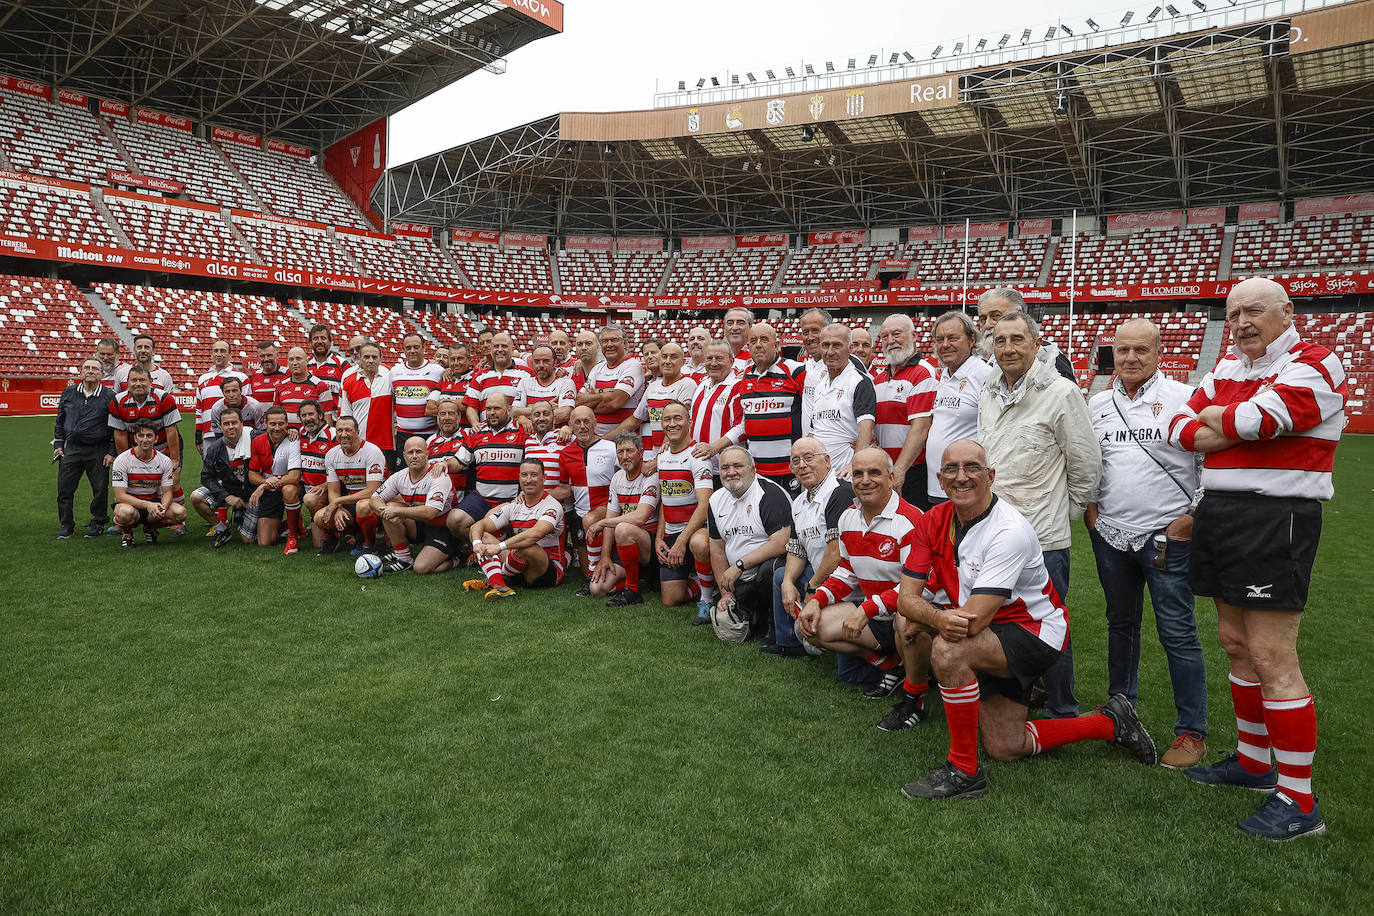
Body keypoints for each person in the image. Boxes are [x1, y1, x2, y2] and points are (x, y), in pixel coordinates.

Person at [1168, 277, 1346, 840]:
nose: (1243, 321)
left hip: (1278, 517)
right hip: (1220, 513)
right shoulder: (1225, 367)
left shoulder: (1317, 363)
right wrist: (1233, 421)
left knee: (1272, 657)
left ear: (1287, 311)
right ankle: (1252, 762)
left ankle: (1298, 799)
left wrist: (1225, 420)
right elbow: (1180, 429)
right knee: (1236, 644)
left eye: (1255, 310)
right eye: (1234, 312)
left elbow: (1254, 423)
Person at [896, 440, 1156, 801]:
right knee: (1007, 746)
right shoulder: (933, 520)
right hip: (991, 630)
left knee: (948, 650)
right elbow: (904, 599)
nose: (961, 476)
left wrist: (932, 620)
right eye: (951, 469)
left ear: (991, 476)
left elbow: (969, 624)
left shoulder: (1008, 530)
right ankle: (1110, 722)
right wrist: (931, 617)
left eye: (972, 467)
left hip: (1034, 631)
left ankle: (964, 772)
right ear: (940, 479)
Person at [1087, 318, 1209, 769]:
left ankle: (1191, 732)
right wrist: (1091, 509)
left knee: (1177, 631)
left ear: (1160, 353)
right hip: (1111, 534)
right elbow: (1089, 462)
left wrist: (1193, 517)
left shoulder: (1184, 398)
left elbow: (1208, 461)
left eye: (1141, 350)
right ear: (1112, 355)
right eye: (1123, 351)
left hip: (1166, 537)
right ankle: (1122, 713)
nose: (1131, 359)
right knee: (1120, 624)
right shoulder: (1097, 402)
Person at [978, 311, 1100, 719]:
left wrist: (1062, 513)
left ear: (1036, 343)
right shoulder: (989, 391)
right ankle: (1020, 694)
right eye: (1000, 341)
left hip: (1043, 539)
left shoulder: (1062, 392)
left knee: (1050, 625)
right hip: (994, 533)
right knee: (1002, 620)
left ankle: (1063, 708)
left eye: (1017, 340)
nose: (1008, 348)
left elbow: (1085, 465)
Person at [797, 448, 932, 728]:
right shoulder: (848, 517)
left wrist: (866, 610)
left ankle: (914, 699)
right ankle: (891, 666)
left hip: (913, 613)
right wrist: (816, 600)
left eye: (874, 473)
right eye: (858, 473)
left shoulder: (911, 520)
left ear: (892, 478)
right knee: (810, 626)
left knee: (906, 620)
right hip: (877, 614)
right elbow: (847, 571)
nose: (865, 480)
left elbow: (919, 589)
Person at [774, 437, 853, 658]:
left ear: (827, 461)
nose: (802, 465)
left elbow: (836, 553)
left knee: (849, 674)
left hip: (844, 578)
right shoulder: (799, 501)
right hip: (820, 572)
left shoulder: (840, 492)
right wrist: (789, 583)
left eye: (809, 458)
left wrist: (812, 589)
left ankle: (815, 637)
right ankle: (789, 644)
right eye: (796, 461)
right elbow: (796, 548)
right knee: (781, 577)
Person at [705, 447, 792, 642]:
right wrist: (726, 592)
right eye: (725, 467)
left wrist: (739, 565)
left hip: (768, 571)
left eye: (738, 466)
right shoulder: (715, 500)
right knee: (731, 628)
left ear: (752, 469)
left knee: (771, 570)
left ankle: (775, 622)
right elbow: (717, 550)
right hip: (740, 578)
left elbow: (781, 543)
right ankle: (753, 614)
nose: (731, 472)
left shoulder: (769, 494)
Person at [435, 393, 534, 557]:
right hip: (481, 498)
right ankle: (484, 544)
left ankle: (493, 548)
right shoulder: (477, 433)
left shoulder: (522, 430)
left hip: (511, 499)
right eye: (488, 409)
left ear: (509, 410)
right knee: (454, 520)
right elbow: (459, 461)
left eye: (496, 408)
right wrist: (445, 464)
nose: (491, 413)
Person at [464, 458, 569, 599]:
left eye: (534, 475)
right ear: (518, 477)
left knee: (527, 546)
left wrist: (499, 547)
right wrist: (477, 544)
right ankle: (501, 585)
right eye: (524, 475)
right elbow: (478, 525)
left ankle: (498, 580)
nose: (528, 480)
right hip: (518, 563)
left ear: (544, 478)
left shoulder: (552, 505)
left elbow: (535, 535)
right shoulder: (514, 505)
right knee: (483, 535)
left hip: (545, 569)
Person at [926, 311, 994, 505]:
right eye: (940, 339)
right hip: (938, 484)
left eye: (953, 338)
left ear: (972, 339)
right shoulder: (944, 376)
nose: (945, 344)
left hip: (965, 486)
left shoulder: (983, 374)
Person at [108, 364, 186, 535]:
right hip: (135, 450)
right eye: (133, 380)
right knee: (128, 486)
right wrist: (124, 460)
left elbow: (171, 431)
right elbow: (120, 435)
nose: (138, 384)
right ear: (127, 383)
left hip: (163, 447)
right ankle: (123, 521)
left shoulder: (164, 398)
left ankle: (177, 523)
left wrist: (175, 461)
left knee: (173, 483)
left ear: (151, 381)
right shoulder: (117, 401)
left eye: (142, 380)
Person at [653, 401, 713, 615]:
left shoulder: (698, 457)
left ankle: (706, 599)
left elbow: (705, 504)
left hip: (695, 532)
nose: (672, 424)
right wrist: (660, 538)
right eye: (667, 419)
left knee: (700, 543)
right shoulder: (662, 456)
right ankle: (704, 581)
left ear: (689, 422)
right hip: (672, 534)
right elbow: (665, 500)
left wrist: (681, 541)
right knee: (671, 600)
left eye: (678, 418)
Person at [586, 434, 660, 606]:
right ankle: (632, 581)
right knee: (597, 589)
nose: (625, 456)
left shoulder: (651, 476)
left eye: (630, 451)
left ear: (641, 453)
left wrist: (602, 522)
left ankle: (632, 590)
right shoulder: (618, 477)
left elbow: (640, 517)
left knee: (623, 528)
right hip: (626, 543)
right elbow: (611, 518)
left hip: (650, 545)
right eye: (620, 452)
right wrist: (605, 557)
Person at [873, 314, 937, 508]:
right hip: (885, 472)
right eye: (885, 336)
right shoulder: (879, 378)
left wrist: (899, 472)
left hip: (911, 473)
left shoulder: (923, 373)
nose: (890, 341)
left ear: (915, 336)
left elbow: (921, 429)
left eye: (897, 334)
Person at [733, 323, 804, 494]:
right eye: (753, 341)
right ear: (748, 346)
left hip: (790, 469)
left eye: (764, 340)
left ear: (776, 345)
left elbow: (812, 412)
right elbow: (743, 423)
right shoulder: (745, 377)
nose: (758, 344)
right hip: (756, 471)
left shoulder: (796, 371)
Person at [369, 435, 455, 572]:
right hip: (418, 524)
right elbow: (374, 498)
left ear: (427, 454)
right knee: (388, 508)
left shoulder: (439, 476)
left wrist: (397, 512)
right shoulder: (400, 476)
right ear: (404, 455)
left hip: (442, 529)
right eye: (410, 452)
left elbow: (430, 512)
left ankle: (456, 559)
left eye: (418, 451)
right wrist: (386, 511)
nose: (414, 456)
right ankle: (403, 559)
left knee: (421, 568)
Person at [559, 405, 619, 595]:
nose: (583, 426)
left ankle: (596, 576)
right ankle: (593, 576)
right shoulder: (565, 453)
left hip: (607, 509)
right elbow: (564, 489)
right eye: (577, 422)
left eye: (587, 421)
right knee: (585, 570)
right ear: (571, 425)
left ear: (595, 423)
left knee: (590, 520)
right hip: (580, 513)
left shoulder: (611, 448)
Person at [53, 357, 115, 539]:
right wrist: (58, 444)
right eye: (86, 368)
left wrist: (112, 452)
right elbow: (60, 421)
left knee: (100, 489)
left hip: (98, 450)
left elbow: (114, 427)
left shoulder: (109, 396)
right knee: (64, 489)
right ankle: (66, 524)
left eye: (95, 368)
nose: (90, 371)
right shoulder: (69, 393)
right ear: (80, 372)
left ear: (102, 374)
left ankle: (98, 522)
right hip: (71, 449)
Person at [807, 323, 877, 478]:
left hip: (843, 476)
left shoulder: (859, 382)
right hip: (818, 474)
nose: (830, 351)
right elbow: (815, 430)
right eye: (825, 345)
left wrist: (855, 464)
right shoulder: (820, 386)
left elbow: (866, 428)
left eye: (837, 345)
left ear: (849, 348)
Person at [315, 415, 386, 556]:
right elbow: (333, 490)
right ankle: (352, 536)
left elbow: (372, 491)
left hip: (377, 501)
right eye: (339, 430)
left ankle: (370, 545)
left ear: (357, 431)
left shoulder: (372, 451)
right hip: (350, 500)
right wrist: (338, 508)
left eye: (348, 430)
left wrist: (338, 502)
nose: (343, 434)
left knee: (363, 506)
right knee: (319, 518)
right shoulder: (331, 454)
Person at [111, 420, 186, 548]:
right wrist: (148, 505)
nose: (145, 440)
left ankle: (150, 528)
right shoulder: (122, 460)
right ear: (135, 438)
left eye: (149, 436)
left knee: (180, 513)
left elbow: (167, 492)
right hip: (130, 504)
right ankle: (127, 533)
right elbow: (119, 496)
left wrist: (163, 507)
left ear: (156, 439)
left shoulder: (164, 461)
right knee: (124, 513)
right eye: (141, 435)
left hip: (153, 503)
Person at [976, 288, 1074, 380]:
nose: (988, 324)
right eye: (983, 319)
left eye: (996, 316)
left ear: (1019, 314)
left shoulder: (1048, 356)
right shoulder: (987, 361)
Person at [191, 407, 254, 548]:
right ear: (220, 426)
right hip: (228, 491)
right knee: (196, 497)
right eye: (226, 424)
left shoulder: (255, 438)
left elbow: (275, 434)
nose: (230, 427)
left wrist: (292, 431)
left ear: (242, 423)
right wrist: (226, 496)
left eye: (234, 422)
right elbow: (205, 477)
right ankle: (221, 529)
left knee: (249, 540)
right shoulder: (214, 449)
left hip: (253, 494)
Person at [246, 405, 303, 550]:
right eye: (272, 424)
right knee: (264, 541)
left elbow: (294, 476)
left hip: (290, 487)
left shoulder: (293, 439)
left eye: (281, 424)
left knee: (289, 490)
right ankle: (294, 523)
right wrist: (265, 481)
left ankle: (293, 535)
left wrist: (264, 485)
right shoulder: (258, 441)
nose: (277, 428)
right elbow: (252, 475)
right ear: (265, 423)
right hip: (271, 490)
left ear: (287, 424)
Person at [626, 342, 697, 459]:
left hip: (674, 455)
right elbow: (635, 419)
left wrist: (656, 462)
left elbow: (675, 426)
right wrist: (605, 438)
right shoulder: (653, 386)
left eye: (673, 357)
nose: (668, 361)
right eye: (664, 357)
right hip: (656, 454)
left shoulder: (688, 384)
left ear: (683, 362)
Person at [688, 340, 743, 480]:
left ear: (731, 361)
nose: (713, 363)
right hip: (698, 466)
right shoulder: (701, 385)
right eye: (709, 358)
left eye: (719, 358)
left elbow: (742, 426)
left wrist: (714, 448)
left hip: (726, 470)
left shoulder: (738, 386)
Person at [578, 323, 644, 438]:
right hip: (594, 438)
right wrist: (607, 395)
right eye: (604, 341)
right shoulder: (598, 368)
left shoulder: (633, 366)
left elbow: (614, 403)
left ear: (625, 343)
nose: (609, 345)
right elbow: (579, 401)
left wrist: (591, 402)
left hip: (624, 441)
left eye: (614, 340)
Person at [339, 341, 395, 467]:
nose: (371, 361)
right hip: (359, 445)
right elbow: (346, 417)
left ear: (381, 359)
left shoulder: (391, 377)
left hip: (386, 445)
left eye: (374, 357)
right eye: (366, 357)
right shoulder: (349, 382)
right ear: (360, 359)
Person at [390, 333, 444, 456]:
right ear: (403, 349)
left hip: (429, 434)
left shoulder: (437, 371)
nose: (412, 351)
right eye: (408, 348)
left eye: (416, 347)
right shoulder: (394, 372)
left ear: (424, 348)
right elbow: (394, 399)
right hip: (403, 435)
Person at [463, 332, 530, 428]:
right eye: (496, 346)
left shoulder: (527, 374)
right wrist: (475, 423)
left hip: (518, 433)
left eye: (504, 346)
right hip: (488, 434)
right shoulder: (480, 376)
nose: (499, 350)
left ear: (512, 349)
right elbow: (471, 407)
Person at [194, 340, 247, 453]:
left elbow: (245, 407)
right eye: (216, 351)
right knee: (211, 469)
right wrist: (198, 434)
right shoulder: (203, 378)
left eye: (223, 351)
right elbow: (199, 410)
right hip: (209, 435)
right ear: (212, 354)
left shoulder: (241, 377)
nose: (218, 354)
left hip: (233, 434)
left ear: (229, 355)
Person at [297, 399, 336, 550]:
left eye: (311, 414)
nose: (307, 418)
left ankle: (335, 533)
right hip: (308, 488)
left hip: (328, 490)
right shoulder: (301, 433)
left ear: (320, 415)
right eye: (303, 415)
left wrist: (326, 485)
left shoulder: (332, 435)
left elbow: (341, 467)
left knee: (310, 498)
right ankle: (294, 528)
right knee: (317, 545)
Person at [515, 344, 576, 427]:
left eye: (546, 361)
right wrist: (549, 407)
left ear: (554, 362)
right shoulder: (524, 383)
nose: (541, 365)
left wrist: (525, 414)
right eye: (537, 361)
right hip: (530, 437)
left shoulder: (566, 383)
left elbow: (564, 414)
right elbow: (515, 411)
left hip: (556, 436)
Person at [277, 347, 336, 429]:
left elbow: (327, 419)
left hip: (310, 439)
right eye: (291, 359)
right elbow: (276, 416)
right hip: (286, 438)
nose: (294, 363)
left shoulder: (320, 385)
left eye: (298, 359)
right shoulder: (280, 386)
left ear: (306, 361)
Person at [208, 377, 266, 443]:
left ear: (241, 391)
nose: (231, 395)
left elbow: (261, 431)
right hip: (228, 442)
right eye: (227, 392)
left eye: (234, 391)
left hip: (251, 441)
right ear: (223, 393)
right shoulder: (217, 409)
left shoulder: (255, 406)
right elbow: (218, 435)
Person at [425, 343, 473, 421]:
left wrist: (441, 403)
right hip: (442, 432)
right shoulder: (444, 379)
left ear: (468, 360)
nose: (456, 363)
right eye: (453, 359)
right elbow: (429, 410)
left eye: (460, 359)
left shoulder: (476, 378)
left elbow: (467, 406)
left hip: (467, 431)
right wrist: (456, 404)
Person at [307, 323, 349, 399]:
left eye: (323, 338)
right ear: (310, 343)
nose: (319, 341)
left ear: (330, 342)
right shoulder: (305, 364)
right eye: (315, 338)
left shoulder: (342, 364)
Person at [246, 340, 287, 405]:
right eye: (262, 356)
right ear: (258, 358)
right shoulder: (254, 376)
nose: (266, 359)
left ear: (277, 355)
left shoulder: (287, 374)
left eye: (269, 355)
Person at [722, 306, 753, 376]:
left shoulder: (758, 357)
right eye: (730, 323)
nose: (734, 327)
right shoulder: (713, 356)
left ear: (750, 327)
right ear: (724, 328)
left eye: (740, 323)